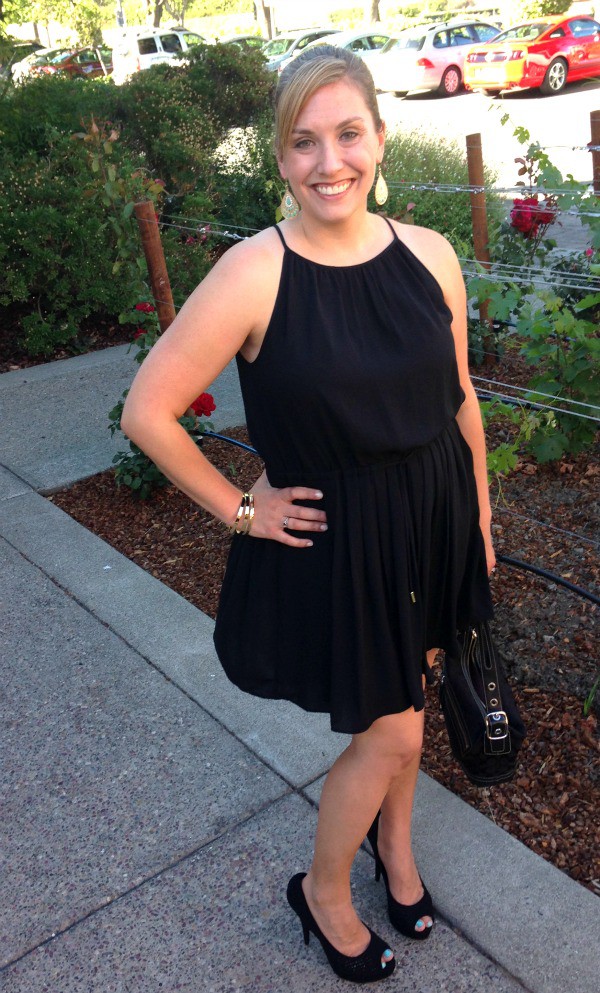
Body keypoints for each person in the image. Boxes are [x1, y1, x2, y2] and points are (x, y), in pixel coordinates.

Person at [121, 45, 495, 984]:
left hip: (434, 520)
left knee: (408, 705)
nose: (331, 162)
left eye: (349, 134)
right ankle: (324, 889)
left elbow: (460, 403)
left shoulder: (430, 256)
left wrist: (479, 523)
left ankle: (395, 856)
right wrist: (240, 508)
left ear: (378, 136)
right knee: (395, 729)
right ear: (279, 159)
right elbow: (148, 412)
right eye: (304, 142)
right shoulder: (256, 272)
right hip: (345, 545)